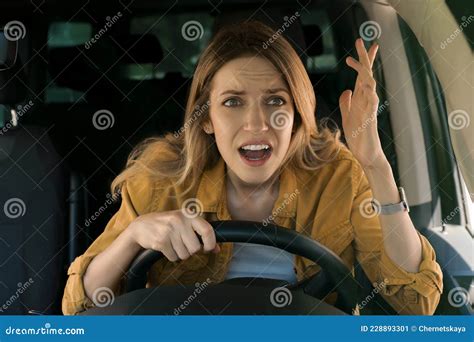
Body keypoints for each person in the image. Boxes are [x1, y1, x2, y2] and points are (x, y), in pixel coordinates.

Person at [62, 20, 443, 315]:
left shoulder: (338, 175)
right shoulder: (160, 180)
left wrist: (375, 164)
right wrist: (132, 237)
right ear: (205, 117)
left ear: (295, 114)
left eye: (276, 101)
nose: (258, 124)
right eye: (232, 102)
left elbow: (415, 302)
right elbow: (80, 308)